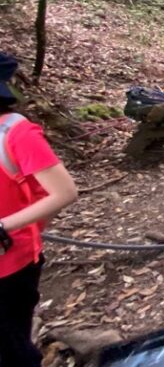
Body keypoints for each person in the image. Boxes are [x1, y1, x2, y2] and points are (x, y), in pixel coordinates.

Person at [0, 52, 78, 367]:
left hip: (10, 264)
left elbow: (63, 192)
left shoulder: (15, 133)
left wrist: (8, 225)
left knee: (12, 350)